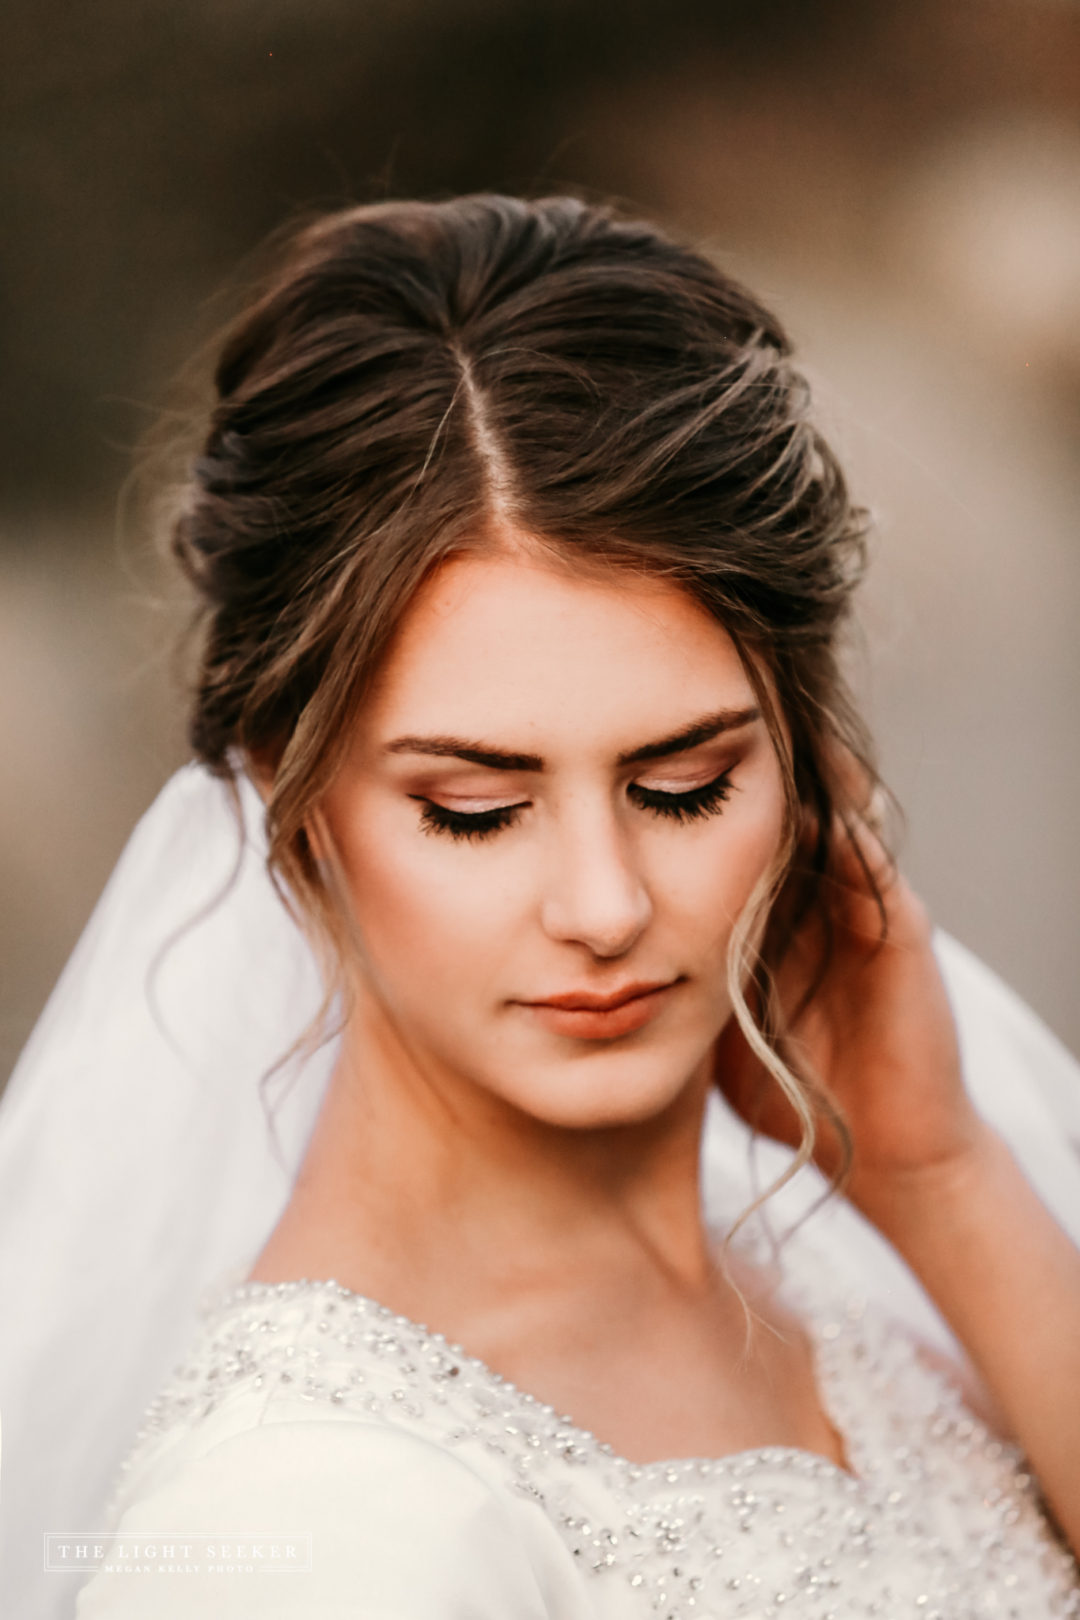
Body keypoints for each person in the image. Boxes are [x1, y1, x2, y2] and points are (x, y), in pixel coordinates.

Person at [2, 195, 1078, 1619]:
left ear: (806, 761)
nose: (604, 903)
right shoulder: (302, 1526)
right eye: (474, 810)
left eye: (686, 784)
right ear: (289, 793)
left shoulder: (865, 1272)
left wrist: (944, 1183)